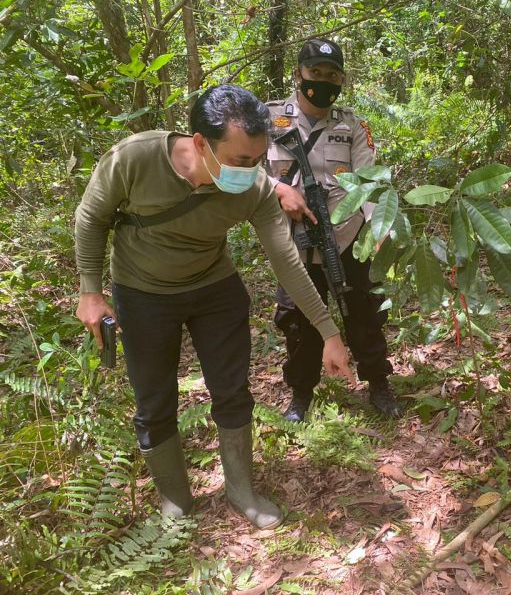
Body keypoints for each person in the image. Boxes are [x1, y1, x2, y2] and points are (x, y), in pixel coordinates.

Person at [74, 84, 355, 529]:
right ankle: (176, 499)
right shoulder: (135, 158)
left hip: (213, 287)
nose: (251, 171)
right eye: (241, 160)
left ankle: (241, 490)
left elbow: (287, 263)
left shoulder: (256, 190)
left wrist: (330, 334)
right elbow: (91, 217)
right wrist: (90, 290)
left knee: (231, 389)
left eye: (258, 160)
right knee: (154, 399)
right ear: (201, 143)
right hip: (142, 290)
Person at [264, 37, 400, 422]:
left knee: (365, 312)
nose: (322, 81)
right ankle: (301, 393)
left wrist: (378, 227)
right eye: (315, 73)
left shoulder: (352, 124)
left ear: (341, 79)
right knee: (299, 319)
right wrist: (277, 189)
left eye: (331, 75)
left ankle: (378, 383)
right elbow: (241, 168)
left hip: (347, 236)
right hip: (295, 242)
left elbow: (368, 182)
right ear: (298, 74)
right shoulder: (268, 118)